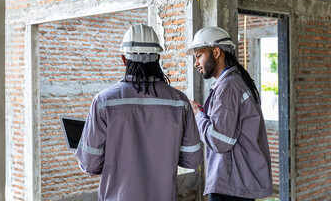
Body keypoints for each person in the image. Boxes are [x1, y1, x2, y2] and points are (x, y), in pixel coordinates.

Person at [75, 24, 202, 201]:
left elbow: (89, 164)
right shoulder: (179, 102)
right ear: (157, 57)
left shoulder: (103, 102)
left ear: (123, 59)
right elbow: (193, 160)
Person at [186, 26, 273, 201]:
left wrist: (196, 113)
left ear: (216, 52)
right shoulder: (234, 82)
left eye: (199, 56)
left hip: (231, 186)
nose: (196, 63)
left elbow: (219, 141)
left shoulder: (229, 87)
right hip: (236, 183)